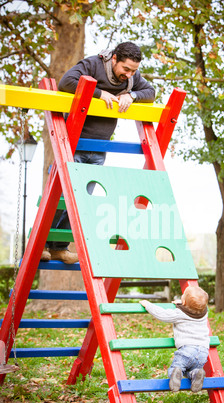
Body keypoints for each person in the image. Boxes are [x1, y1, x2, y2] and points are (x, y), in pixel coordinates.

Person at [41, 41, 156, 264]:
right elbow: (66, 82)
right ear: (114, 59)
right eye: (126, 69)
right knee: (63, 196)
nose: (129, 74)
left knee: (82, 200)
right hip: (74, 142)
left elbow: (150, 91)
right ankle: (44, 244)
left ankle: (59, 247)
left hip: (99, 147)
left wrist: (132, 96)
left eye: (134, 70)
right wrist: (98, 93)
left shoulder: (132, 78)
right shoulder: (93, 65)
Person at [140, 285, 210, 393]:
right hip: (203, 353)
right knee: (191, 370)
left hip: (187, 350)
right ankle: (196, 374)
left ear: (184, 302)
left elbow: (162, 315)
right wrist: (183, 304)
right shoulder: (204, 312)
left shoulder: (180, 314)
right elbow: (193, 307)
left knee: (177, 368)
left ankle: (175, 377)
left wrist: (148, 305)